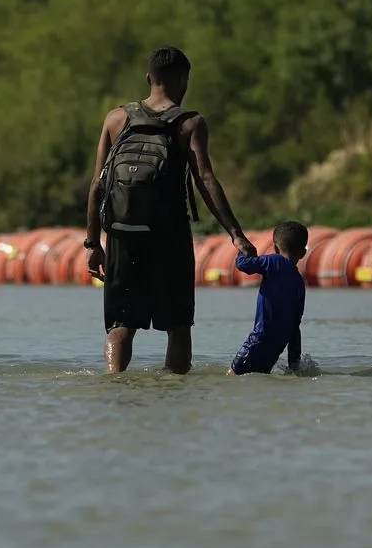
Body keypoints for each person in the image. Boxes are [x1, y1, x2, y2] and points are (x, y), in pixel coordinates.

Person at [86, 46, 257, 374]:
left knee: (120, 324)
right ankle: (175, 391)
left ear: (149, 78)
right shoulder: (189, 122)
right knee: (177, 325)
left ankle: (114, 383)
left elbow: (97, 185)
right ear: (183, 80)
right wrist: (235, 233)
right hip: (169, 236)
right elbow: (205, 179)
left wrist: (93, 244)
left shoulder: (116, 118)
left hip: (122, 233)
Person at [228, 221, 308, 376]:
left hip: (259, 339)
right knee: (260, 377)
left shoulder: (273, 261)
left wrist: (243, 249)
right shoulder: (299, 282)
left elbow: (243, 265)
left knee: (232, 377)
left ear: (275, 248)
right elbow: (295, 325)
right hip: (278, 345)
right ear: (303, 253)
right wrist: (294, 362)